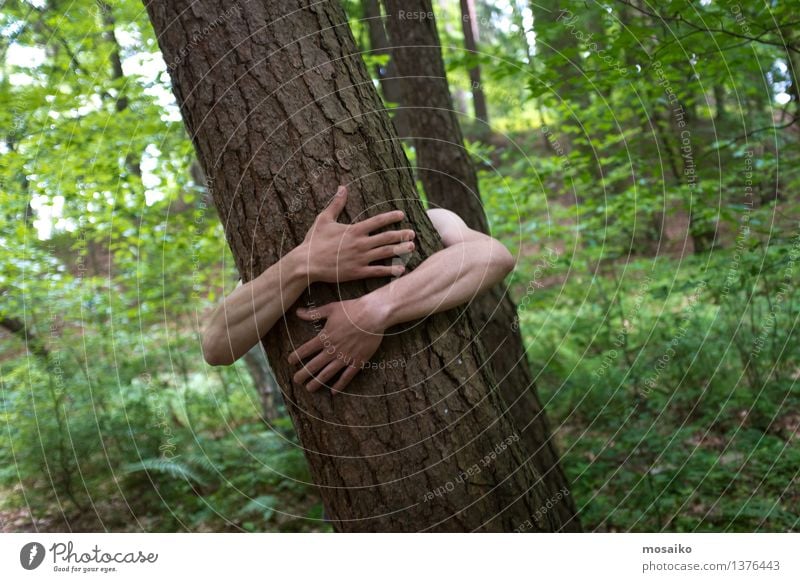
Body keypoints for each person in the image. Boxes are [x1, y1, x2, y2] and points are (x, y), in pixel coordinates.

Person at [201, 184, 515, 394]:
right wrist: (303, 263)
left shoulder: (429, 221)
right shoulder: (274, 259)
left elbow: (493, 257)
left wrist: (373, 310)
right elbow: (217, 346)